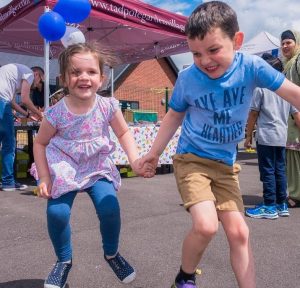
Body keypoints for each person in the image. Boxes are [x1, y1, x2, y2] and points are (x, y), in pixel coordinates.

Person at [138, 2, 300, 288]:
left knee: (239, 232)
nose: (205, 60)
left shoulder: (251, 67)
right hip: (192, 160)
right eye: (196, 53)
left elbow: (293, 94)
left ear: (236, 41)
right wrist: (153, 154)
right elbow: (174, 115)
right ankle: (185, 277)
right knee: (206, 225)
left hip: (225, 166)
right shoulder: (188, 78)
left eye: (213, 50)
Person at [33, 42, 154, 288]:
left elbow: (123, 133)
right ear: (64, 79)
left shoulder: (108, 106)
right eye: (76, 72)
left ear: (102, 77)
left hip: (96, 165)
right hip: (64, 164)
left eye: (91, 72)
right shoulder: (56, 113)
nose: (83, 77)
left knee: (109, 207)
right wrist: (44, 176)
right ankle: (63, 261)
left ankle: (112, 254)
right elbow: (40, 143)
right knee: (57, 213)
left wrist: (135, 160)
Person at [244, 54, 300, 219]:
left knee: (268, 170)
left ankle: (269, 206)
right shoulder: (286, 90)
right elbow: (296, 115)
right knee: (280, 170)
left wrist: (248, 136)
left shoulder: (261, 88)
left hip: (266, 136)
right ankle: (281, 204)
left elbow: (253, 114)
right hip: (281, 137)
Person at [0, 63, 43, 191]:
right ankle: (8, 181)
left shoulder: (10, 79)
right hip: (2, 103)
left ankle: (7, 180)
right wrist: (40, 114)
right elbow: (25, 99)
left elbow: (13, 102)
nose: (34, 86)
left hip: (4, 102)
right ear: (37, 75)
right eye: (38, 81)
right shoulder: (29, 72)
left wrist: (28, 114)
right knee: (9, 144)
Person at [280, 30, 300, 208]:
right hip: (292, 118)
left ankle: (296, 194)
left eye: (288, 42)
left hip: (296, 118)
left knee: (294, 158)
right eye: (283, 43)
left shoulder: (297, 63)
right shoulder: (289, 64)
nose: (285, 46)